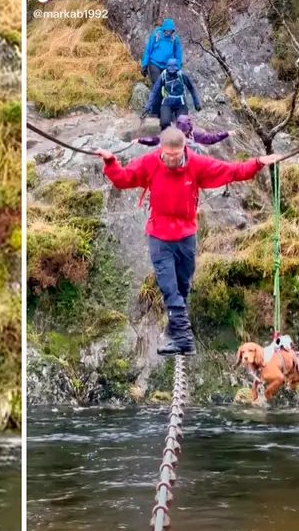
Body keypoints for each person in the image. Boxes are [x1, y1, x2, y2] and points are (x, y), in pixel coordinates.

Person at [95, 127, 283, 356]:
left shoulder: (196, 164)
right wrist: (111, 161)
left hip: (185, 235)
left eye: (177, 154)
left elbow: (231, 171)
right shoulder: (149, 162)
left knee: (182, 286)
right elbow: (124, 179)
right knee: (168, 285)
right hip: (159, 234)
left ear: (184, 148)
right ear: (161, 150)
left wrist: (258, 162)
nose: (172, 159)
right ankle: (184, 338)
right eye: (168, 155)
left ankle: (174, 332)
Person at [143, 58, 200, 131]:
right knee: (164, 123)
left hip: (180, 103)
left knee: (183, 124)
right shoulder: (163, 75)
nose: (172, 72)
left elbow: (191, 88)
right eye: (170, 71)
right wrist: (148, 107)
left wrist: (196, 103)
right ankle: (165, 138)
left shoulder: (181, 75)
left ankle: (182, 139)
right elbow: (155, 91)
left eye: (174, 70)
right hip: (167, 102)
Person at [135, 114, 233, 154]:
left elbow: (211, 139)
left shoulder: (195, 135)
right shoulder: (171, 135)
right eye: (181, 131)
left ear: (189, 129)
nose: (182, 134)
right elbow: (155, 140)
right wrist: (140, 140)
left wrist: (226, 134)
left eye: (184, 132)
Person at [141, 18, 183, 88]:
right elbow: (148, 50)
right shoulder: (156, 35)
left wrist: (177, 68)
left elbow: (178, 56)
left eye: (170, 31)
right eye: (167, 30)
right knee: (158, 85)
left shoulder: (175, 39)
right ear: (164, 29)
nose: (169, 33)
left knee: (168, 87)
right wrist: (144, 65)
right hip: (155, 64)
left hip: (168, 67)